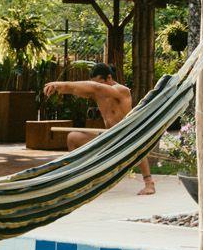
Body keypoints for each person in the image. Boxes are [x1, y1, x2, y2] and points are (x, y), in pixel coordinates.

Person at [42, 63, 155, 195]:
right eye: (95, 83)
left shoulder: (122, 91)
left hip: (126, 136)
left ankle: (149, 184)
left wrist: (60, 83)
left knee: (136, 141)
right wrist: (58, 88)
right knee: (73, 137)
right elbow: (75, 90)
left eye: (100, 83)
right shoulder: (96, 93)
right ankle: (77, 179)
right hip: (109, 138)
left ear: (108, 78)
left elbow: (95, 87)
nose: (98, 87)